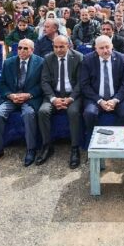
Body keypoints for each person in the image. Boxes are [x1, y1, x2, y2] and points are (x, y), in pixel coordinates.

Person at [0, 39, 44, 167]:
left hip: (30, 98)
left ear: (32, 50)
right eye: (19, 48)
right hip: (12, 97)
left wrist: (28, 95)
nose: (21, 51)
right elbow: (1, 84)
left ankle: (31, 149)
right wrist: (10, 95)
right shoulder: (8, 62)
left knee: (29, 114)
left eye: (25, 48)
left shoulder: (40, 62)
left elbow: (42, 84)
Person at [39, 35, 84, 168]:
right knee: (43, 111)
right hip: (54, 94)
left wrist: (71, 98)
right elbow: (45, 81)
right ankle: (47, 146)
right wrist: (53, 99)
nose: (58, 50)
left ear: (68, 46)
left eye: (61, 47)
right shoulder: (48, 58)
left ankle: (75, 148)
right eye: (55, 47)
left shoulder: (78, 57)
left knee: (74, 112)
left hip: (73, 95)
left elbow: (81, 82)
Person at [80, 35, 124, 129]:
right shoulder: (88, 59)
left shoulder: (121, 58)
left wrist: (115, 100)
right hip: (95, 98)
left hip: (116, 97)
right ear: (96, 49)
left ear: (112, 46)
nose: (105, 51)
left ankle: (114, 136)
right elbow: (85, 85)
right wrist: (100, 101)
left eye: (107, 47)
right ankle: (92, 139)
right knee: (89, 113)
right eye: (101, 48)